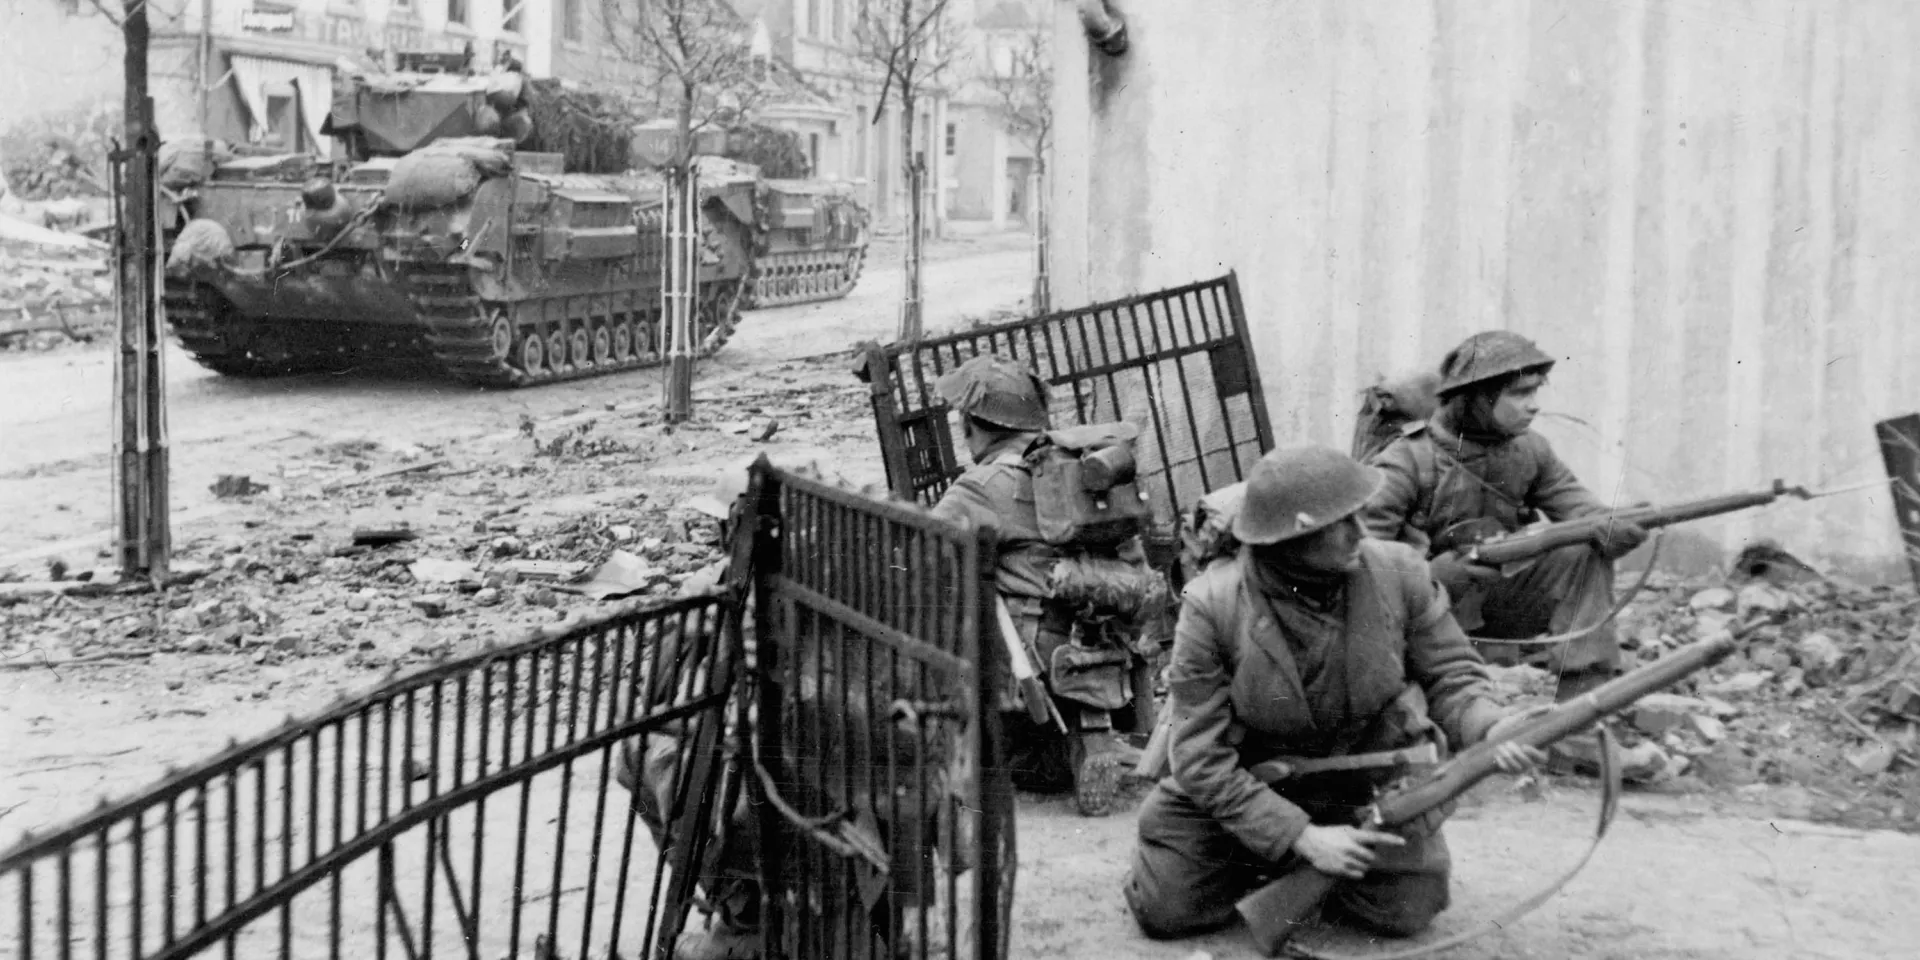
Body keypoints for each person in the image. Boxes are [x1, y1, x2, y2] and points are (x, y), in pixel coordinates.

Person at [1124, 445, 1545, 943]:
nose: (1360, 534)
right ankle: (1278, 858)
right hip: (1251, 783)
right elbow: (1199, 757)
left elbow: (1452, 676)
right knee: (1166, 909)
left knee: (1406, 910)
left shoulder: (1399, 572)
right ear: (1289, 539)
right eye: (1338, 524)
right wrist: (1299, 836)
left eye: (1358, 516)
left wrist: (1492, 727)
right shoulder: (1212, 605)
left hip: (1364, 783)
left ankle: (1303, 868)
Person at [1358, 330, 1665, 777]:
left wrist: (1622, 528)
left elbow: (1583, 513)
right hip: (1416, 622)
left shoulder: (1530, 451)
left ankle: (1576, 735)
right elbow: (1360, 566)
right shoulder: (1407, 461)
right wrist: (1432, 576)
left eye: (1536, 391)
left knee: (1581, 552)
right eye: (1520, 393)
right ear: (1478, 398)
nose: (1534, 405)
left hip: (1491, 608)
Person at [928, 353, 1152, 817]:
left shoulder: (982, 485)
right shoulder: (1084, 466)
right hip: (1110, 629)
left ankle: (973, 754)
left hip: (1029, 648)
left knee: (946, 601)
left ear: (975, 424)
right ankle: (1080, 742)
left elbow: (924, 552)